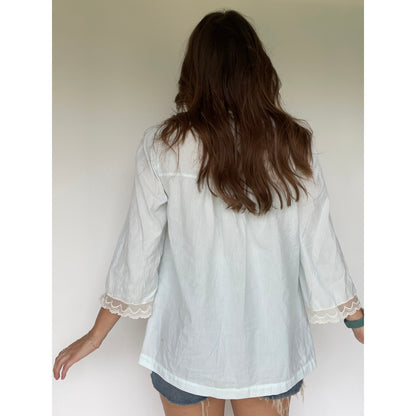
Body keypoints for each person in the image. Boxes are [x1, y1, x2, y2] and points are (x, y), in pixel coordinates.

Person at [53, 9, 364, 416]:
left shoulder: (165, 145)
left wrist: (96, 335)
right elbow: (319, 245)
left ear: (194, 72)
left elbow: (138, 251)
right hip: (269, 350)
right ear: (259, 70)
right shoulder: (293, 145)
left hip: (189, 348)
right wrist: (357, 320)